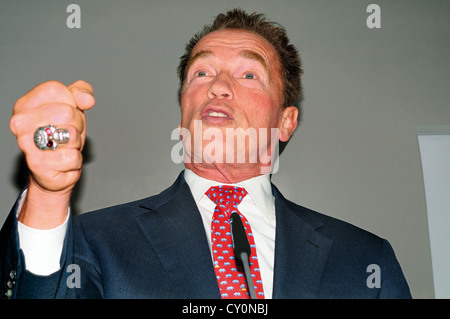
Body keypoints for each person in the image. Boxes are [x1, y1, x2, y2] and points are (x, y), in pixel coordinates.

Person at [0, 9, 411, 299]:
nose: (218, 85)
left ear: (286, 121)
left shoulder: (364, 259)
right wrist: (47, 195)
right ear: (183, 105)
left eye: (249, 74)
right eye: (202, 72)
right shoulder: (93, 242)